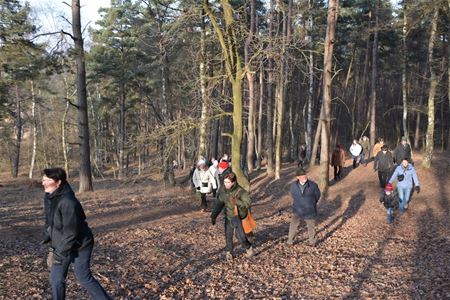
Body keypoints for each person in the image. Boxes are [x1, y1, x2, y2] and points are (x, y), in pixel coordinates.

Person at [41, 168, 111, 300]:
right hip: (62, 244)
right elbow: (50, 221)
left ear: (58, 182)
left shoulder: (68, 202)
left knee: (83, 278)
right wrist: (50, 243)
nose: (43, 183)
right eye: (43, 180)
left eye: (47, 180)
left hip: (80, 245)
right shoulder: (49, 197)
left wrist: (58, 254)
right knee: (56, 280)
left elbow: (71, 233)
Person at [210, 172, 253, 260]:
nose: (226, 184)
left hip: (239, 217)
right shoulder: (223, 191)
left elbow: (248, 203)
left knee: (240, 237)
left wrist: (237, 202)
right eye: (225, 182)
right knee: (228, 236)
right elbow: (219, 204)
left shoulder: (241, 191)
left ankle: (248, 247)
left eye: (228, 182)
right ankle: (229, 253)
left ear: (233, 182)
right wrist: (213, 216)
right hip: (228, 216)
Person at [287, 168, 321, 246]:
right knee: (293, 225)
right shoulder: (293, 186)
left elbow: (317, 195)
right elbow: (293, 195)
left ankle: (312, 242)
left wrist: (311, 203)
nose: (304, 177)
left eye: (304, 175)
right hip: (297, 209)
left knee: (311, 226)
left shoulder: (313, 185)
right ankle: (289, 241)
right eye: (301, 176)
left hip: (310, 209)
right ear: (297, 177)